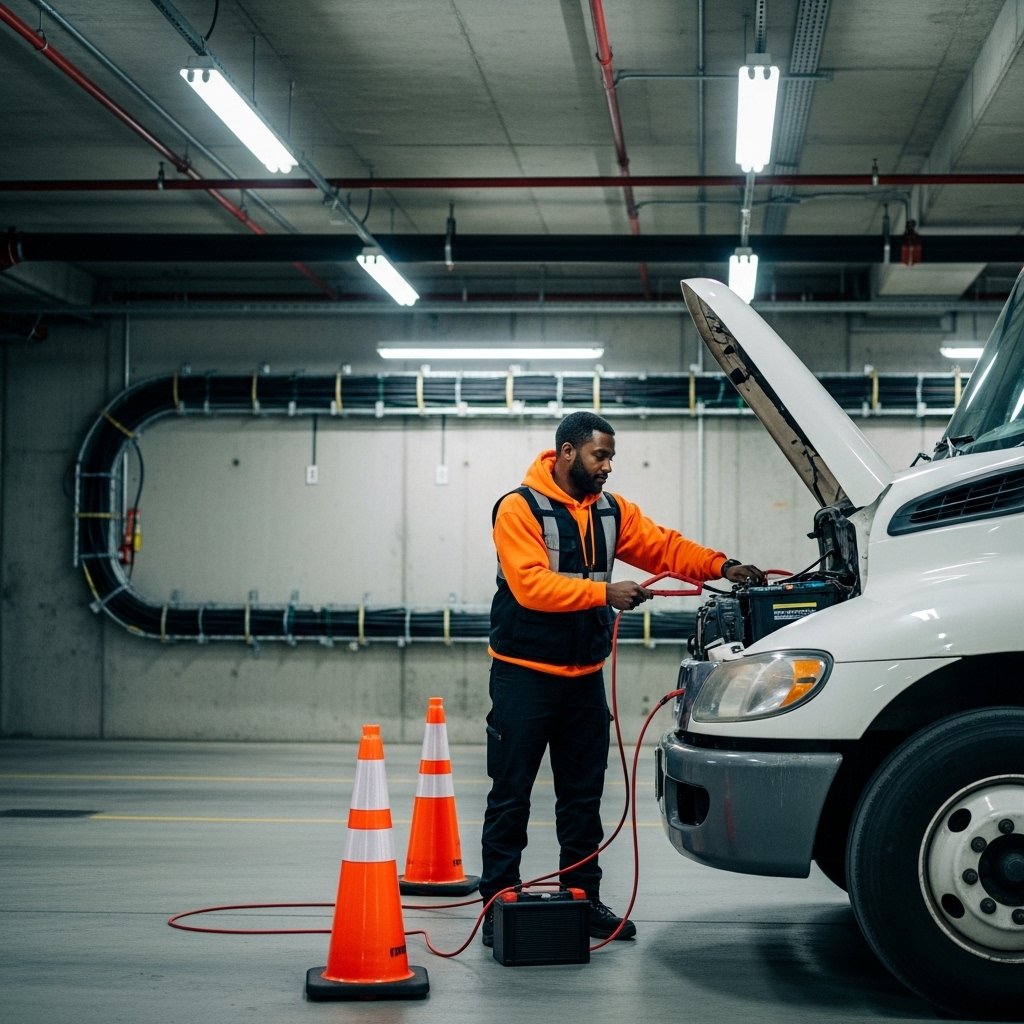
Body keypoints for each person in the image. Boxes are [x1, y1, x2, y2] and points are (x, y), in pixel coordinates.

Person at [479, 410, 765, 947]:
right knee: (510, 794)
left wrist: (721, 566)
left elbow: (664, 547)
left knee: (583, 800)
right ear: (567, 453)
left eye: (611, 457)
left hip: (584, 678)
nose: (608, 466)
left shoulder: (612, 511)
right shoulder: (518, 509)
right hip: (524, 679)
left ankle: (582, 898)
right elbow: (531, 587)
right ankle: (498, 900)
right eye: (600, 456)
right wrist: (604, 593)